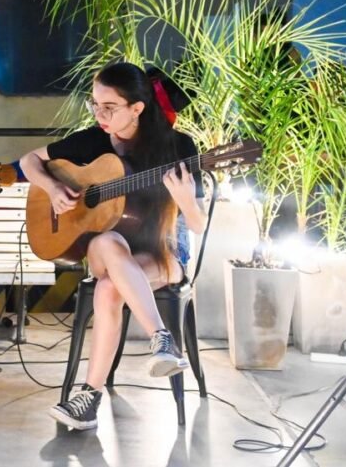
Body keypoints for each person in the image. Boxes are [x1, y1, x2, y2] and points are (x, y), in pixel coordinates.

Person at [19, 62, 206, 431]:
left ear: (137, 108)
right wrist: (53, 187)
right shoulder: (94, 139)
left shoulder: (177, 146)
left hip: (162, 250)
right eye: (95, 105)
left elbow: (198, 224)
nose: (99, 115)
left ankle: (89, 399)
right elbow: (29, 161)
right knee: (107, 239)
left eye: (109, 107)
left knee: (108, 289)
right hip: (110, 249)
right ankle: (162, 340)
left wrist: (186, 200)